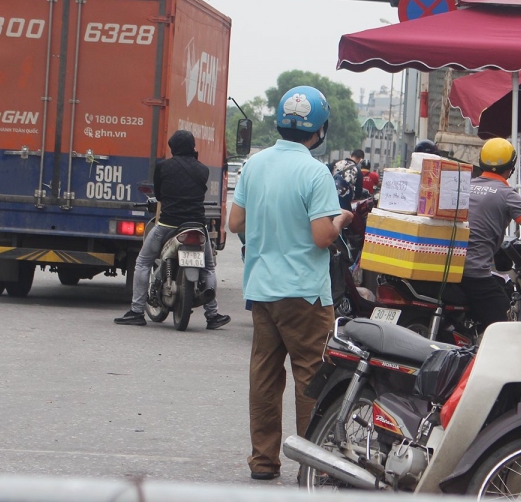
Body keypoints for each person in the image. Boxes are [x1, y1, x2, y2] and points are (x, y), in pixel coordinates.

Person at [228, 85, 354, 481]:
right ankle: (313, 464)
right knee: (311, 378)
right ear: (320, 130)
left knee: (264, 377)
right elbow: (322, 237)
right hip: (305, 295)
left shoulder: (255, 164)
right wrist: (342, 220)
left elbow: (236, 223)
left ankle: (263, 462)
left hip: (263, 290)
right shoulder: (316, 172)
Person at [115, 130, 230, 329]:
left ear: (173, 148)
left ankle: (136, 311)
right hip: (196, 225)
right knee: (208, 268)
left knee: (143, 262)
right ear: (193, 147)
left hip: (167, 226)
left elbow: (159, 194)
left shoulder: (163, 167)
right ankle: (213, 315)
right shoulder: (203, 170)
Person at [464, 138, 521, 328]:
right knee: (508, 326)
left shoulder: (464, 186)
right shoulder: (508, 195)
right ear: (511, 168)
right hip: (474, 274)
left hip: (449, 270)